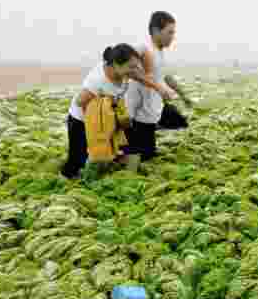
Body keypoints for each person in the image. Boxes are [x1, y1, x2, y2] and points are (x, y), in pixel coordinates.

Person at [60, 44, 141, 179]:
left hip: (109, 117)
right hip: (81, 121)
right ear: (116, 64)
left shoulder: (122, 73)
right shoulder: (97, 81)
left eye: (136, 66)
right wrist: (101, 118)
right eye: (131, 66)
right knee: (77, 159)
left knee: (124, 147)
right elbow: (80, 102)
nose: (135, 70)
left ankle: (121, 173)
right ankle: (66, 180)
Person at [124, 11, 192, 164]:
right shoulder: (143, 47)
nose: (172, 37)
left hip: (152, 110)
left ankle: (147, 135)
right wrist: (158, 88)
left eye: (173, 33)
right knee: (142, 157)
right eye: (169, 32)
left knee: (179, 122)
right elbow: (128, 70)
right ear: (155, 30)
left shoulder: (160, 52)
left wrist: (183, 95)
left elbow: (165, 76)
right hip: (136, 113)